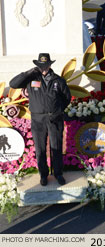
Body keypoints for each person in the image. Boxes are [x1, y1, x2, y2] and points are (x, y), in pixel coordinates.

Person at [10, 53, 71, 186]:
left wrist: (57, 109)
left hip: (55, 118)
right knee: (40, 148)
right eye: (40, 66)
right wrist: (30, 72)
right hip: (38, 119)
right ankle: (43, 175)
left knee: (56, 146)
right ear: (37, 66)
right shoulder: (31, 79)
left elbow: (67, 98)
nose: (43, 68)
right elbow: (13, 84)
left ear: (50, 65)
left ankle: (58, 173)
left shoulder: (58, 80)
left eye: (46, 65)